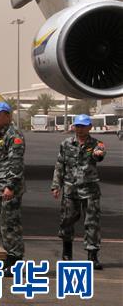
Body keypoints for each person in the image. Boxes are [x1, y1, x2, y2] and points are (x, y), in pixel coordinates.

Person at [51, 114, 106, 269]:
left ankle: (92, 255)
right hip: (70, 189)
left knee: (92, 222)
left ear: (90, 127)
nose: (80, 129)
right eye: (78, 126)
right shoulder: (66, 143)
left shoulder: (96, 144)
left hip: (90, 190)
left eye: (83, 126)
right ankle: (67, 253)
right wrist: (56, 185)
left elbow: (100, 154)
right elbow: (59, 165)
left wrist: (98, 154)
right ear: (74, 127)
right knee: (67, 220)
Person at [0, 100, 25, 276]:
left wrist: (10, 186)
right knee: (3, 225)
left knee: (11, 226)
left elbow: (15, 163)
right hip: (1, 187)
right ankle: (9, 257)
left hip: (10, 189)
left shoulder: (13, 135)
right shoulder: (2, 134)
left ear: (8, 116)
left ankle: (15, 260)